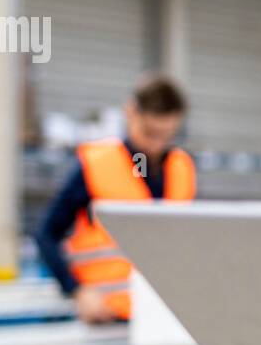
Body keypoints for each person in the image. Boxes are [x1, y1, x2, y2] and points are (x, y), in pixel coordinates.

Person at [36, 75, 197, 323]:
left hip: (163, 316)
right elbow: (46, 235)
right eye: (150, 133)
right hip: (106, 318)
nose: (156, 145)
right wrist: (77, 291)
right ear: (131, 112)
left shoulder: (182, 167)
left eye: (165, 135)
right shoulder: (95, 164)